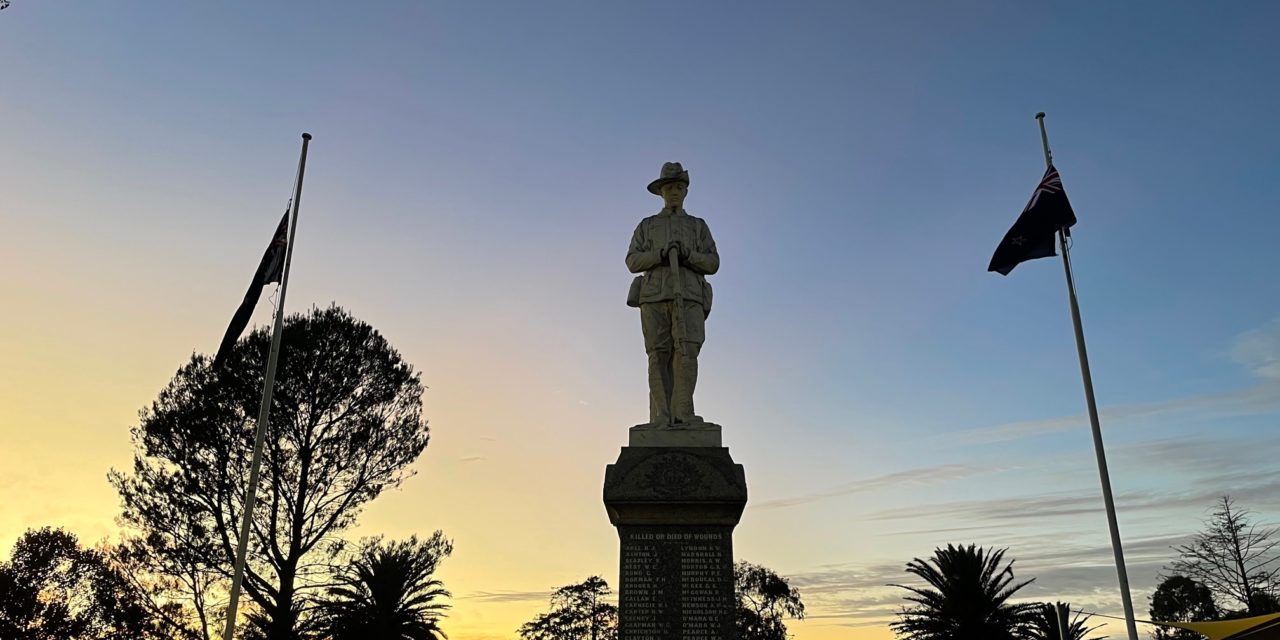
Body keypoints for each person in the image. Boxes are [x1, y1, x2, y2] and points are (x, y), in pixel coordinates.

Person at [625, 162, 719, 427]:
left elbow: (713, 263)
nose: (674, 192)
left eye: (679, 187)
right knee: (658, 354)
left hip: (689, 296)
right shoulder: (648, 226)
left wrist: (690, 256)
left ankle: (683, 413)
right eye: (669, 187)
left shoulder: (698, 226)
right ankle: (661, 417)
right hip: (654, 296)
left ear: (686, 191)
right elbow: (632, 261)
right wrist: (660, 254)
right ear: (661, 192)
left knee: (687, 352)